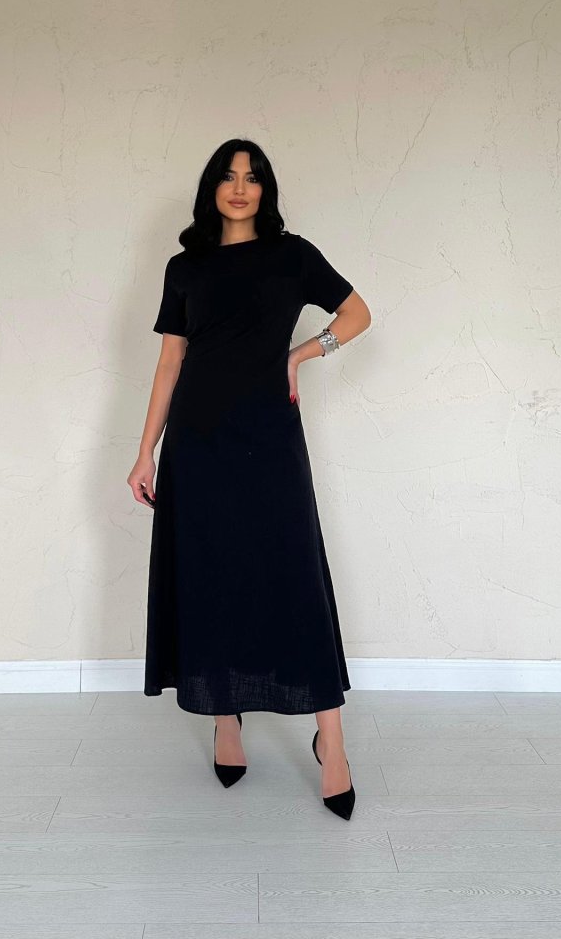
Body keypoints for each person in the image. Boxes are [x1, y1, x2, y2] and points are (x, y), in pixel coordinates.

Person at [128, 138, 371, 819]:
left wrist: (302, 353)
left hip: (270, 439)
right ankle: (225, 718)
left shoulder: (293, 256)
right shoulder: (185, 268)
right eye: (229, 176)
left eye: (253, 177)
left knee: (294, 576)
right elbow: (170, 363)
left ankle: (331, 740)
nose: (240, 187)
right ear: (212, 188)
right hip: (198, 446)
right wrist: (146, 452)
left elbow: (357, 314)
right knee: (212, 576)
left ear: (265, 190)